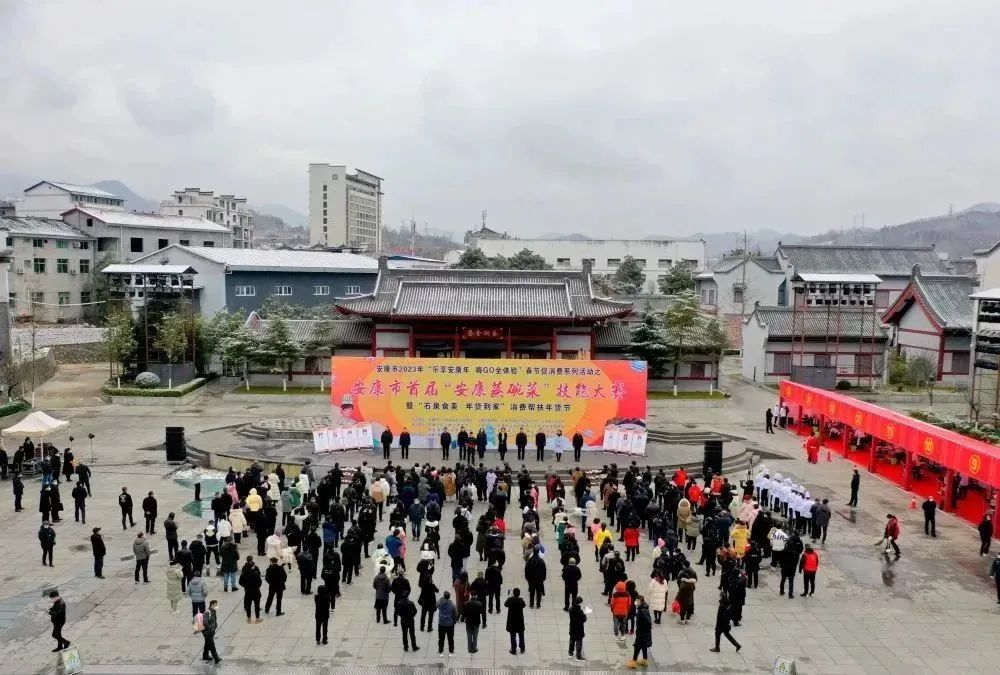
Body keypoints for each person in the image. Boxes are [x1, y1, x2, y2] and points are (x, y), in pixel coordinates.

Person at [626, 595, 653, 668]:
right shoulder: (643, 608)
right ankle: (644, 660)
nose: (636, 602)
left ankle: (633, 662)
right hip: (644, 632)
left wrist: (642, 629)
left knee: (637, 646)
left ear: (640, 601)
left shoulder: (642, 610)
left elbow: (648, 621)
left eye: (637, 601)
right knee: (644, 645)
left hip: (642, 632)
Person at [240, 556, 263, 623]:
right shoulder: (256, 573)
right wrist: (257, 586)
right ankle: (257, 619)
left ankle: (249, 619)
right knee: (257, 605)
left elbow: (240, 582)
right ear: (252, 566)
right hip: (256, 591)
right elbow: (260, 582)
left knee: (248, 605)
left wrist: (245, 586)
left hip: (248, 591)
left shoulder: (244, 573)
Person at [505, 587, 526, 654]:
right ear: (519, 594)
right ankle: (522, 648)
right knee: (521, 636)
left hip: (512, 622)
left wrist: (509, 597)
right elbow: (524, 605)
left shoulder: (510, 600)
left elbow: (505, 604)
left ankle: (513, 650)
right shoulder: (520, 600)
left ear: (513, 593)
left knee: (513, 637)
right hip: (519, 621)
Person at [201, 599, 222, 664]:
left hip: (211, 631)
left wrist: (215, 625)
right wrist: (210, 629)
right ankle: (216, 658)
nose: (217, 606)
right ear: (212, 605)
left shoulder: (213, 611)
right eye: (216, 605)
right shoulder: (207, 612)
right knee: (212, 645)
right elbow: (205, 622)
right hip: (207, 632)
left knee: (207, 644)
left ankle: (205, 656)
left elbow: (213, 620)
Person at [436, 591, 457, 656]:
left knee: (441, 639)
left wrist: (441, 599)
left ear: (444, 596)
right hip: (450, 624)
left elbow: (436, 604)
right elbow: (455, 614)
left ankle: (440, 652)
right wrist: (454, 621)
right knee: (450, 639)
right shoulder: (452, 605)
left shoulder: (440, 604)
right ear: (449, 597)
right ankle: (451, 652)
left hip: (441, 624)